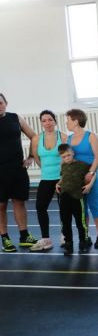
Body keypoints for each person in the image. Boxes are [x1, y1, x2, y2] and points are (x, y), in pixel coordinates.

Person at [0, 93, 39, 252]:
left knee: (19, 202)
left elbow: (34, 136)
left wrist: (31, 156)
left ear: (6, 103)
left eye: (0, 103)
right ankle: (5, 238)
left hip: (17, 169)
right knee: (1, 205)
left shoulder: (16, 118)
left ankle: (24, 236)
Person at [65, 108, 98, 248]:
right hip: (76, 179)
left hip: (90, 176)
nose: (66, 123)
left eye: (68, 120)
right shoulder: (69, 139)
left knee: (94, 205)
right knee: (81, 209)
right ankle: (85, 236)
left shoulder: (90, 136)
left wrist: (91, 173)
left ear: (76, 121)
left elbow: (97, 157)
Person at [29, 110, 67, 252]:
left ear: (55, 121)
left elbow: (68, 157)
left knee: (64, 208)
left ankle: (65, 235)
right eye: (44, 120)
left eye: (50, 119)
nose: (47, 123)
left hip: (62, 178)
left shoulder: (63, 137)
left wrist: (62, 175)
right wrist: (46, 169)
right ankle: (46, 239)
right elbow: (37, 158)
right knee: (40, 207)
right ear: (41, 123)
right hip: (46, 178)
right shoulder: (36, 139)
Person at [55, 143, 91, 255]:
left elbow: (92, 173)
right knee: (65, 222)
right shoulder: (63, 166)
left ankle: (83, 242)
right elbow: (64, 178)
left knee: (80, 222)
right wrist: (58, 183)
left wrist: (89, 185)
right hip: (64, 196)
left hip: (77, 197)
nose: (67, 158)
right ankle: (68, 243)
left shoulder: (82, 165)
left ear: (73, 153)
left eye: (68, 155)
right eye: (64, 157)